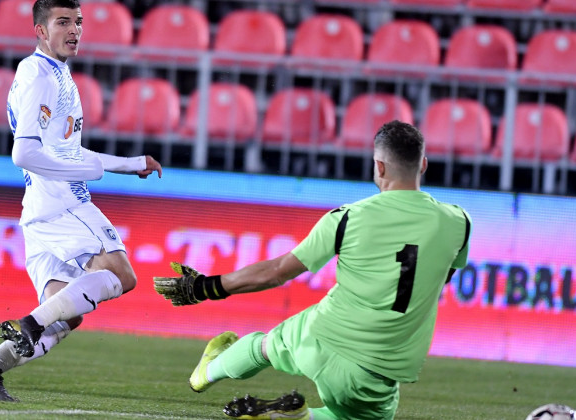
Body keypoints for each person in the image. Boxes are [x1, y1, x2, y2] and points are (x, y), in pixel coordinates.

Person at [154, 120, 471, 420]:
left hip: (322, 339)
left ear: (379, 167)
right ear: (424, 165)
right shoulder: (460, 224)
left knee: (266, 346)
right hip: (381, 369)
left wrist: (207, 287)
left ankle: (205, 375)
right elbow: (438, 280)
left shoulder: (347, 219)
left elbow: (277, 271)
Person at [0, 0, 162, 402]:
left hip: (37, 207)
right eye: (63, 22)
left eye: (79, 22)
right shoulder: (39, 75)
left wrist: (129, 164)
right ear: (40, 31)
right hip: (63, 200)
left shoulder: (56, 75)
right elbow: (24, 153)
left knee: (67, 310)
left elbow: (69, 152)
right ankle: (29, 325)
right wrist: (84, 174)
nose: (74, 30)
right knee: (122, 275)